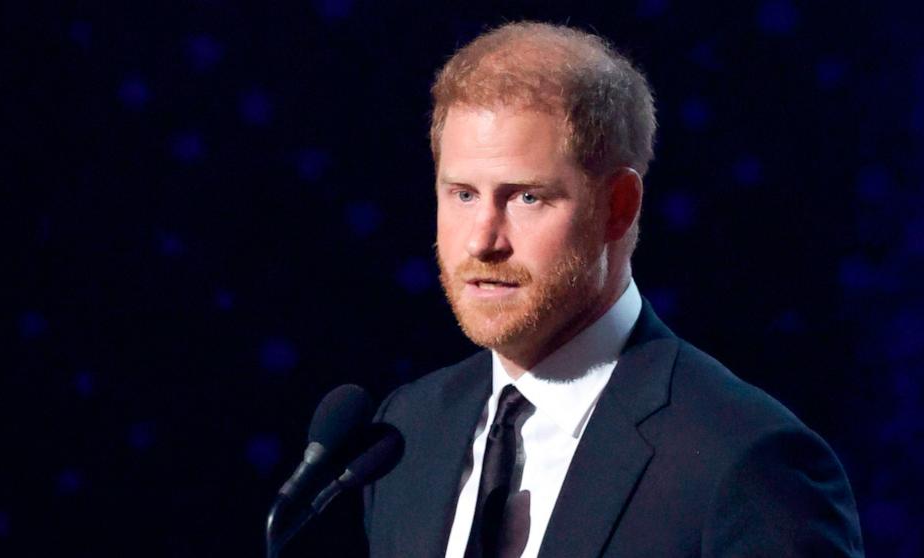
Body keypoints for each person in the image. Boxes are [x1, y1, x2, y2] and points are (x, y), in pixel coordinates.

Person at [364, 21, 864, 557]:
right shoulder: (405, 431)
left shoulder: (746, 463)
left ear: (619, 206)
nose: (482, 241)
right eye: (463, 195)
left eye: (526, 198)